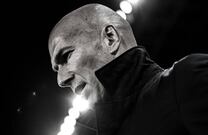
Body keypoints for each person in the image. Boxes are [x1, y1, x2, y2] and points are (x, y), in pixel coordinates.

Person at [48, 3, 208, 135]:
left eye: (66, 56)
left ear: (110, 38)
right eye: (56, 69)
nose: (61, 80)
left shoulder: (187, 79)